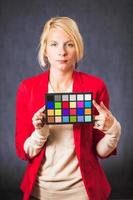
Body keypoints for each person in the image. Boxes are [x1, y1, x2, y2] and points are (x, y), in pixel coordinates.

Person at [15, 16, 121, 200]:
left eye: (69, 44)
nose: (62, 52)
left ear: (77, 48)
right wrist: (40, 132)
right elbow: (24, 152)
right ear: (45, 50)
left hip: (84, 192)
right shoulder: (28, 88)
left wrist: (113, 130)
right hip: (40, 191)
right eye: (54, 44)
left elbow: (101, 151)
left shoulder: (95, 87)